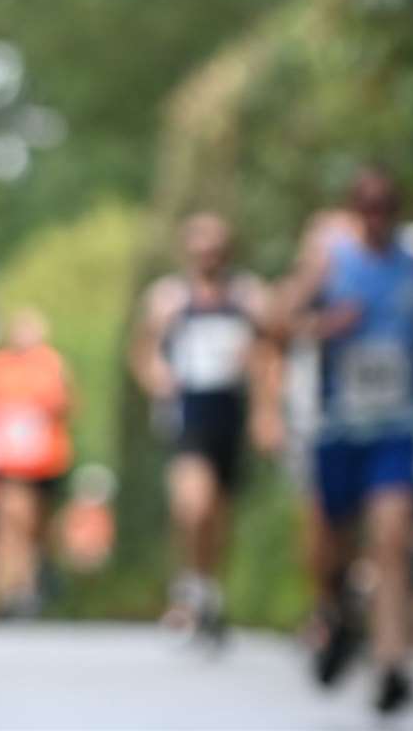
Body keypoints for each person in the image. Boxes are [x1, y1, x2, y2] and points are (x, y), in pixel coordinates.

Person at [281, 167, 413, 713]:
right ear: (354, 208)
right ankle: (337, 615)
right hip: (339, 428)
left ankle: (391, 663)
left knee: (393, 539)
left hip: (397, 428)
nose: (377, 215)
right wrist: (322, 327)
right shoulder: (330, 257)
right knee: (334, 547)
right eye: (367, 205)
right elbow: (276, 319)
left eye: (387, 205)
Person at [131, 213, 278, 642]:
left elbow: (270, 351)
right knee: (191, 504)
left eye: (215, 247)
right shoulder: (168, 298)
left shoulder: (248, 296)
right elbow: (143, 351)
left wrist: (266, 411)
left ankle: (208, 586)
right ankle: (189, 586)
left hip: (229, 411)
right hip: (188, 411)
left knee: (218, 510)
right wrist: (157, 375)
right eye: (200, 247)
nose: (207, 256)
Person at [0, 307, 73, 615]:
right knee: (14, 520)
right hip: (10, 465)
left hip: (47, 463)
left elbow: (67, 405)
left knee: (38, 527)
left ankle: (32, 578)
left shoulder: (53, 364)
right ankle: (17, 587)